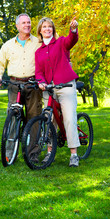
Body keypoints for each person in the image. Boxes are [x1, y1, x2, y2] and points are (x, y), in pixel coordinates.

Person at [0, 13, 42, 160]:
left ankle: (32, 154)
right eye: (24, 23)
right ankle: (9, 154)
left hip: (33, 84)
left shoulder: (38, 42)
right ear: (17, 26)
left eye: (29, 22)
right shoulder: (8, 45)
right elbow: (0, 62)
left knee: (33, 119)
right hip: (14, 85)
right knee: (13, 118)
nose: (27, 25)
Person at [35, 16, 80, 167]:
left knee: (68, 118)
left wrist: (73, 30)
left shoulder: (60, 42)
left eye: (49, 27)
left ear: (52, 29)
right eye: (44, 27)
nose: (47, 29)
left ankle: (74, 154)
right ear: (40, 31)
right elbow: (39, 72)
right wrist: (41, 82)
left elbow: (71, 41)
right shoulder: (38, 52)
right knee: (49, 119)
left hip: (65, 85)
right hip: (49, 88)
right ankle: (49, 153)